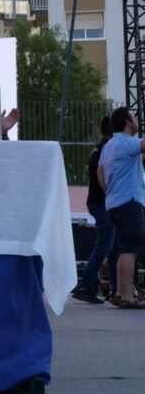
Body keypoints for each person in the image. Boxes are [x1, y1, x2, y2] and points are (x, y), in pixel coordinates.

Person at [97, 106, 145, 308]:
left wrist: (110, 192)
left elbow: (100, 173)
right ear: (127, 122)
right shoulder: (127, 142)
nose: (137, 120)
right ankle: (126, 295)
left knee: (126, 247)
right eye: (134, 117)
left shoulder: (109, 145)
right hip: (129, 201)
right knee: (130, 250)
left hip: (114, 203)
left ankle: (119, 291)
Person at [72, 115, 118, 304]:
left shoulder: (99, 148)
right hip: (102, 203)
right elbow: (102, 176)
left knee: (113, 247)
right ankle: (84, 285)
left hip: (98, 202)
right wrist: (111, 194)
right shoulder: (107, 149)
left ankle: (115, 288)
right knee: (105, 246)